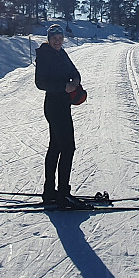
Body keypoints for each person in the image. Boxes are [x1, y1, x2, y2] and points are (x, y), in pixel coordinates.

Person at [35, 23, 83, 207]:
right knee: (68, 147)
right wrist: (64, 86)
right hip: (54, 105)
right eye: (54, 38)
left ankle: (50, 192)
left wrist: (76, 80)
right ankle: (63, 193)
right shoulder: (44, 56)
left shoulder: (61, 53)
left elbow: (74, 71)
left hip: (63, 105)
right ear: (49, 39)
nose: (57, 41)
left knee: (56, 147)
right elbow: (40, 83)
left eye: (60, 38)